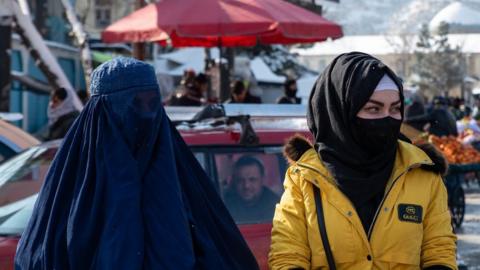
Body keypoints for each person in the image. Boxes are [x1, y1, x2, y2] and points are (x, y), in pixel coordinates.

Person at [15, 57, 259, 270]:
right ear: (104, 110)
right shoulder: (72, 182)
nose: (144, 115)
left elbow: (222, 254)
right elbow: (36, 256)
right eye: (133, 105)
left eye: (151, 104)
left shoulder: (181, 176)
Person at [269, 52, 456, 269]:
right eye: (373, 109)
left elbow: (439, 250)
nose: (387, 119)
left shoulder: (421, 172)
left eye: (395, 108)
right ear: (341, 112)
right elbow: (287, 255)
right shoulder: (305, 178)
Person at [224, 156, 279, 223]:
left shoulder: (276, 205)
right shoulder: (225, 203)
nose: (246, 186)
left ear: (263, 179)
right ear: (234, 181)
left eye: (252, 180)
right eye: (240, 180)